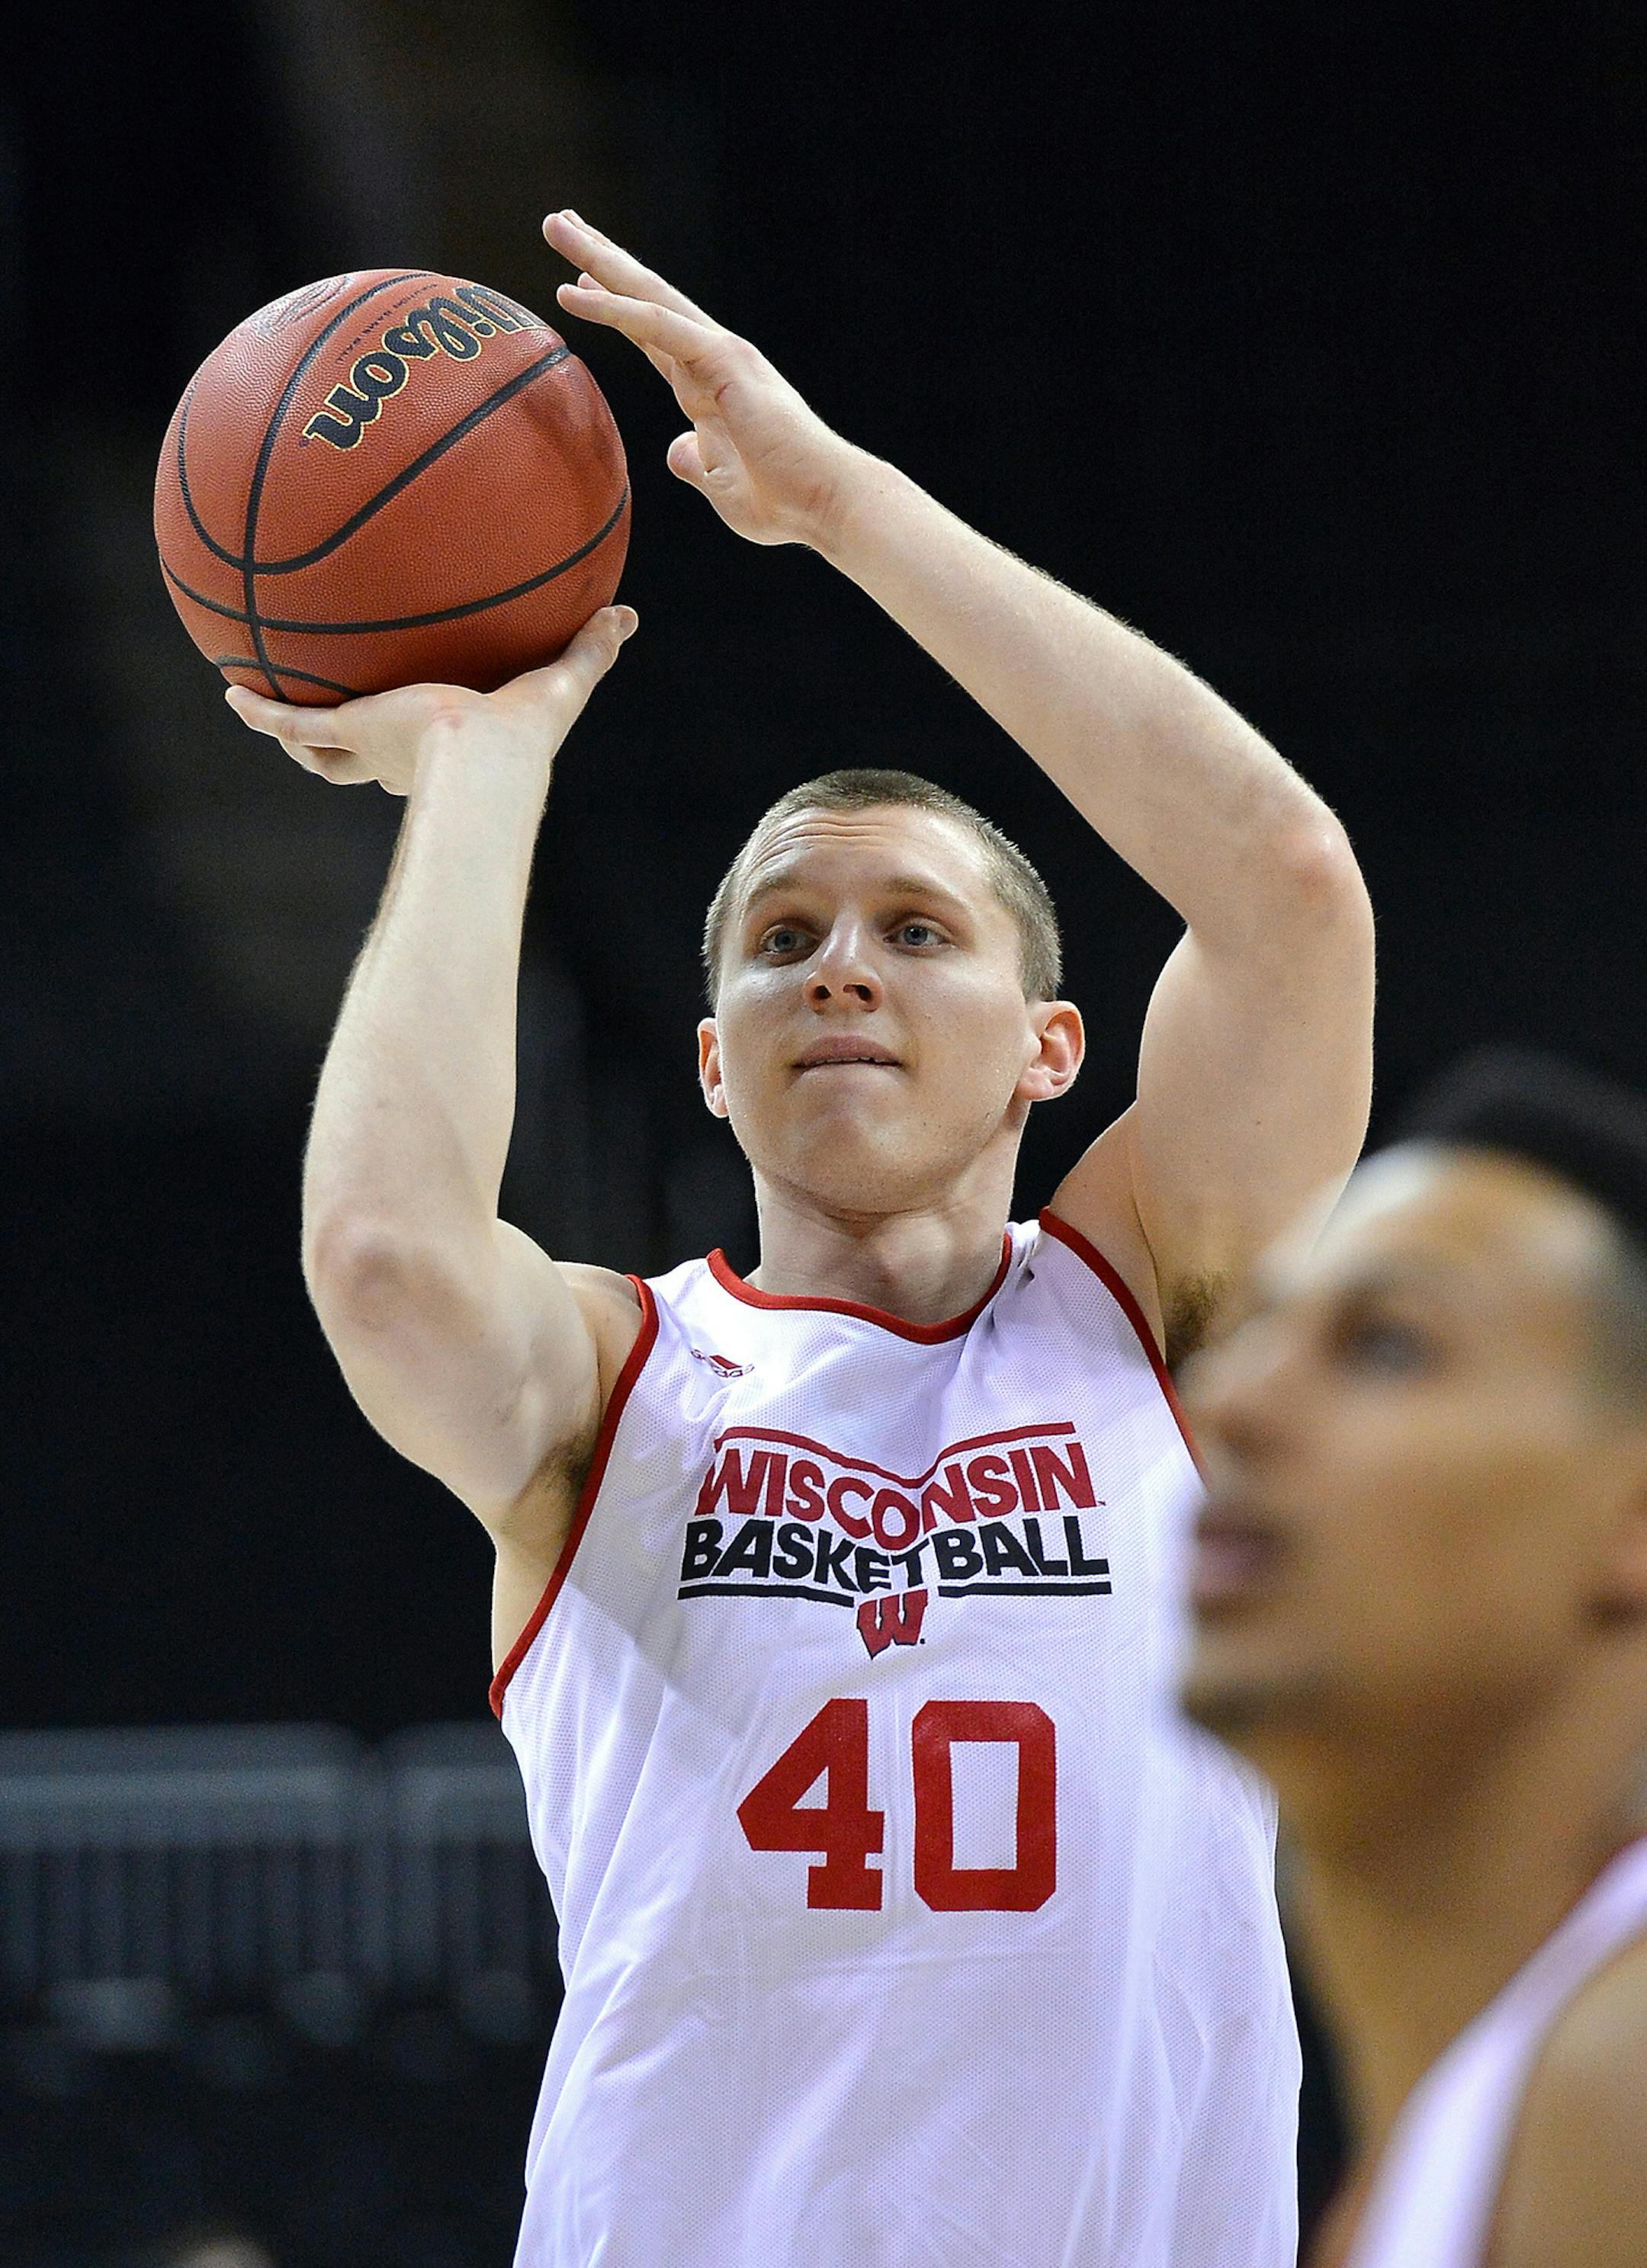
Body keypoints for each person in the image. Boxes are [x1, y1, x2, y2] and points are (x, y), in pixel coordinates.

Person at [226, 211, 1375, 2266]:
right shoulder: (611, 1386)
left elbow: (1287, 888)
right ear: (710, 1064)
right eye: (782, 944)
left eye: (914, 932)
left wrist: (837, 504)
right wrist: (478, 768)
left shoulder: (1157, 1324)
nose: (840, 968)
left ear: (1050, 1050)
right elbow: (390, 1255)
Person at [1180, 1047, 1647, 2268]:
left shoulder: (1624, 2084)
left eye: (1387, 1347)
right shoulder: (1455, 2144)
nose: (1230, 1404)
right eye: (1253, 1333)